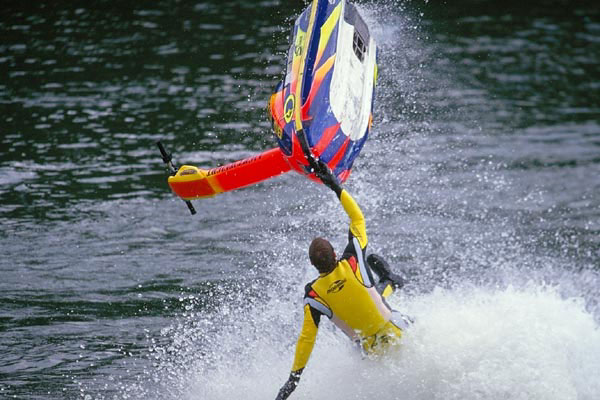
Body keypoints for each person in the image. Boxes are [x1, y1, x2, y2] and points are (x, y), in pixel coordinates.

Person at [275, 161, 410, 400]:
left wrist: (293, 379)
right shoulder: (353, 258)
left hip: (369, 351)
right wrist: (335, 185)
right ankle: (390, 280)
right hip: (397, 330)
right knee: (375, 291)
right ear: (336, 254)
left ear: (312, 265)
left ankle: (389, 281)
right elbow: (357, 218)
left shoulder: (314, 296)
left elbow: (307, 338)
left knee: (358, 334)